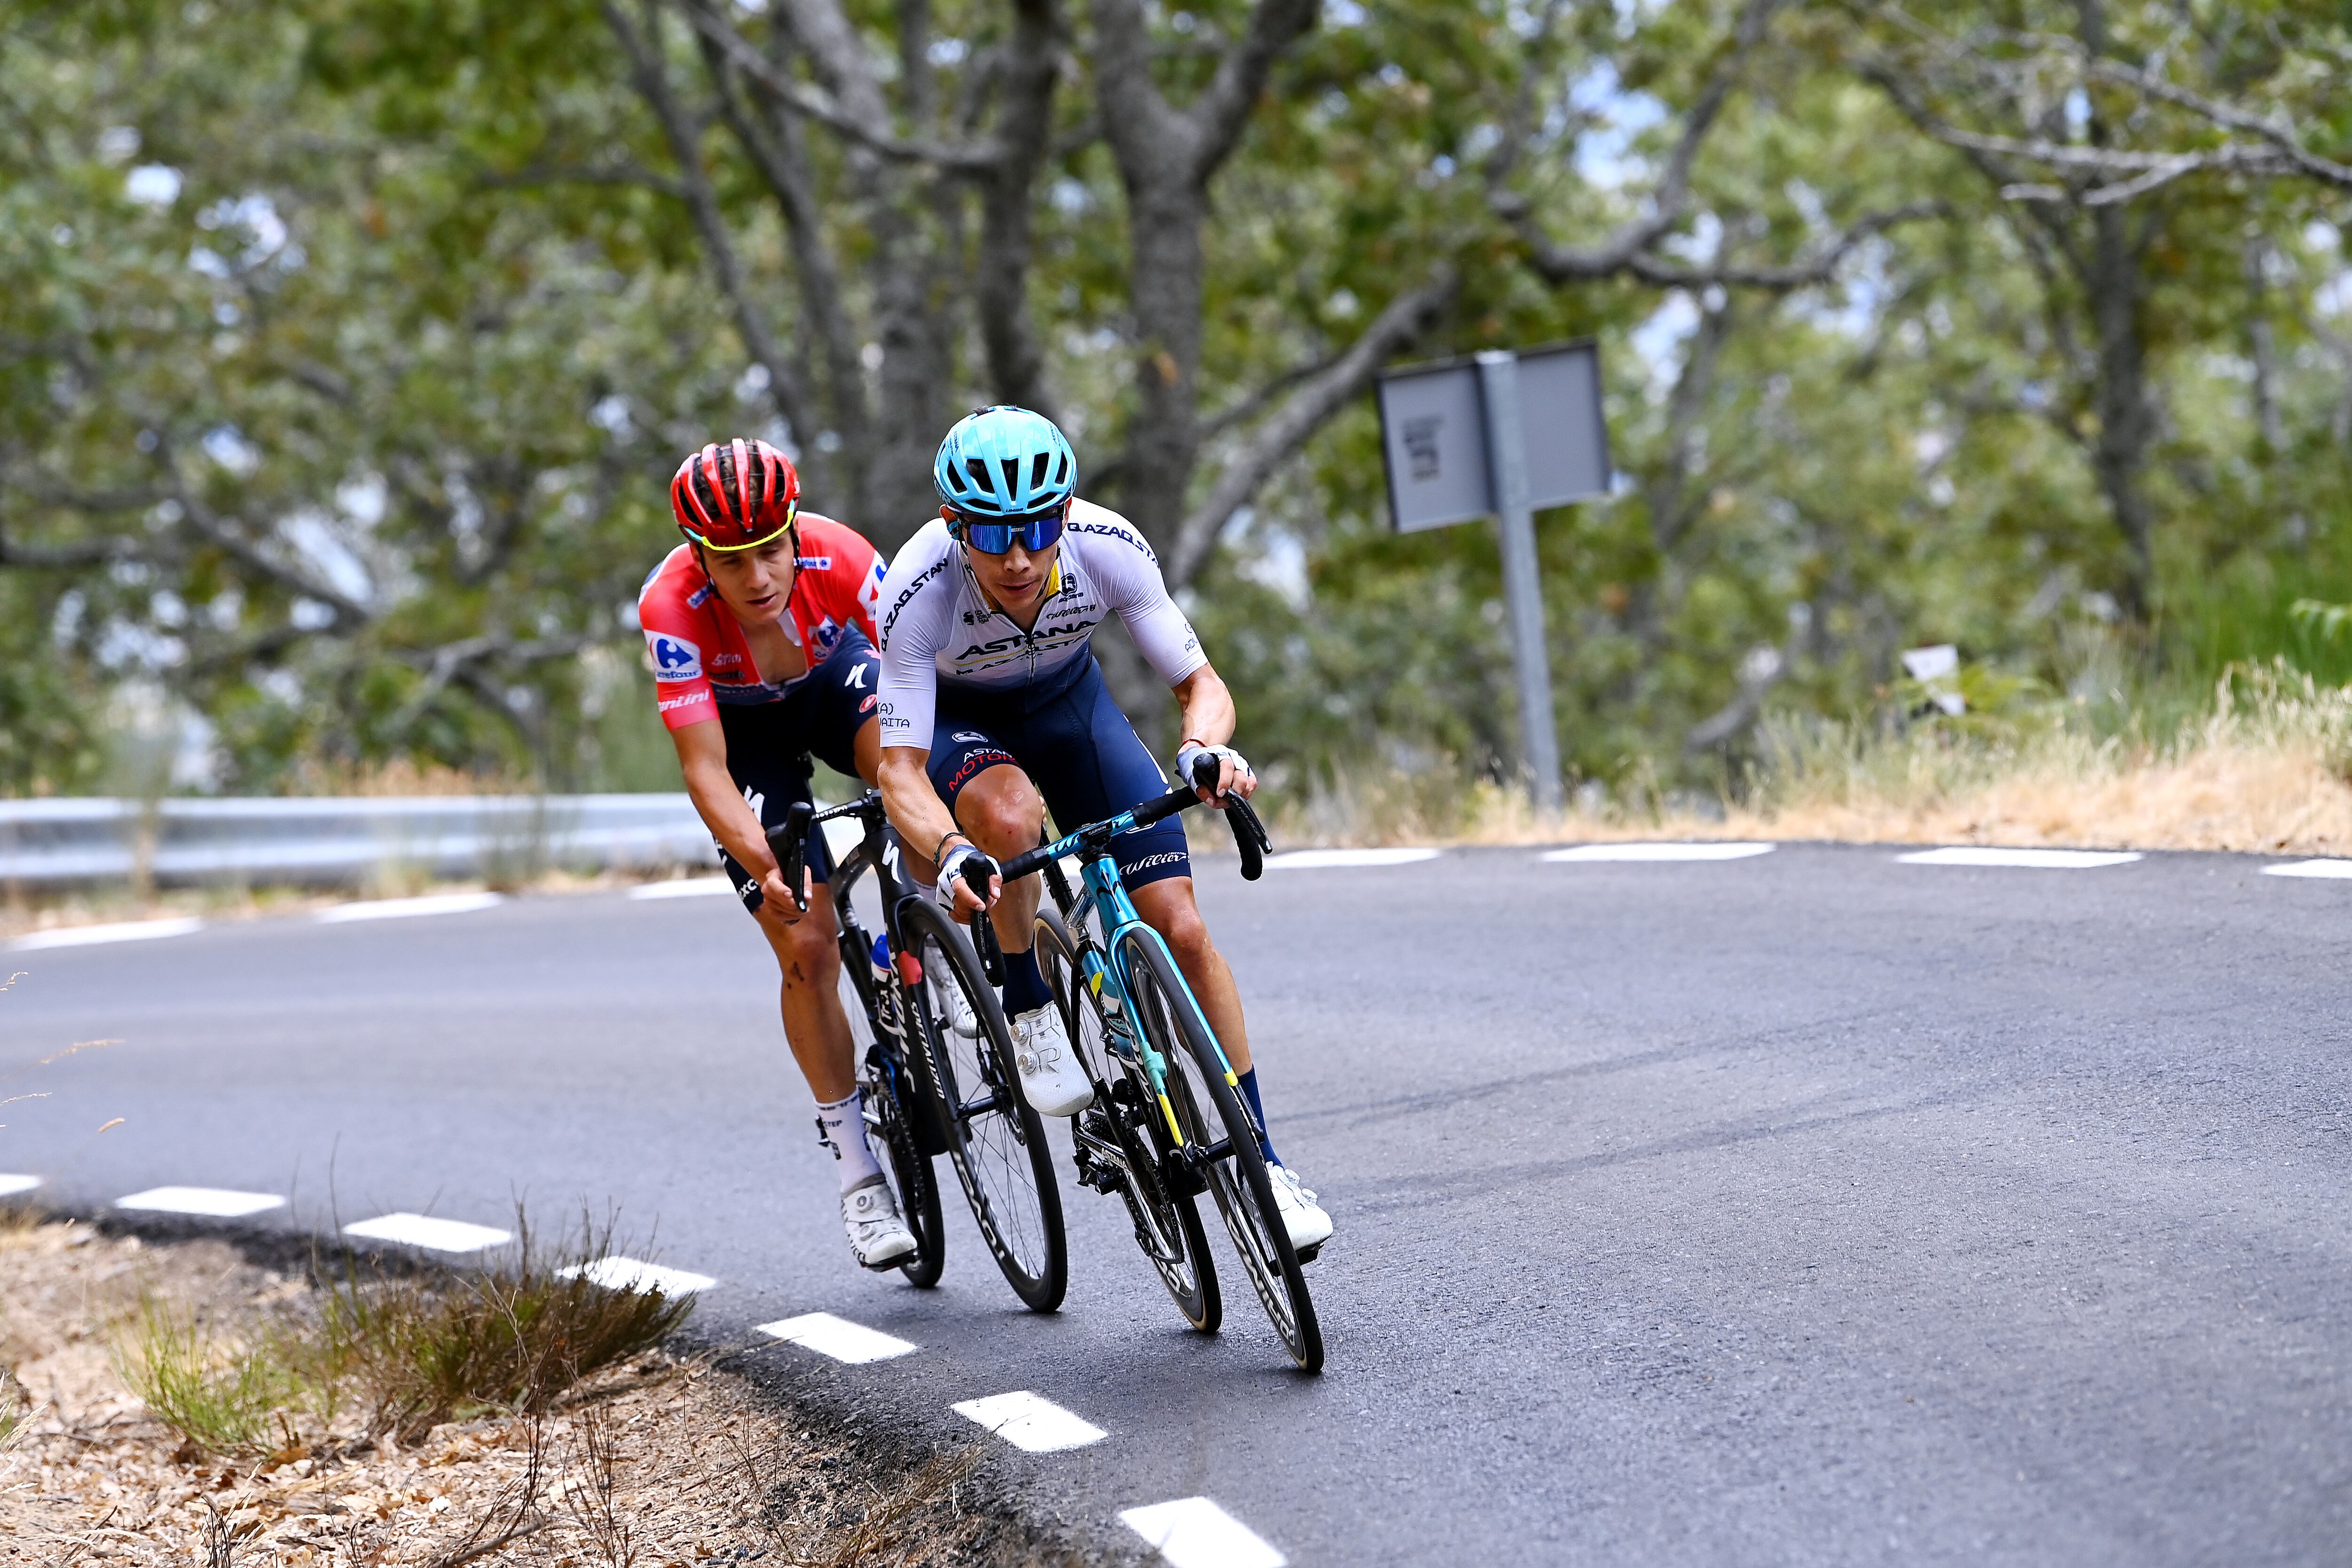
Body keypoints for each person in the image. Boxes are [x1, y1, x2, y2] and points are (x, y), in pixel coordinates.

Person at [872, 406, 1333, 1253]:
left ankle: (1265, 1163)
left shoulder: (1106, 544)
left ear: (1067, 511)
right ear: (953, 524)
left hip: (1069, 707)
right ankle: (1026, 996)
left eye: (1037, 530)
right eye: (992, 535)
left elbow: (1201, 684)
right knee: (1011, 817)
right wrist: (950, 848)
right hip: (964, 724)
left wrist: (1204, 750)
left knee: (1184, 928)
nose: (1018, 558)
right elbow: (897, 767)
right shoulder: (916, 587)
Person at [639, 437, 917, 1269]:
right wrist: (762, 863)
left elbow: (922, 692)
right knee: (807, 943)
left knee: (907, 769)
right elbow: (705, 768)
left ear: (796, 530)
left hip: (837, 687)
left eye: (771, 549)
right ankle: (859, 1170)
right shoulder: (672, 607)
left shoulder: (845, 558)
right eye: (732, 561)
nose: (758, 576)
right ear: (701, 560)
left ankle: (935, 931)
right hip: (746, 740)